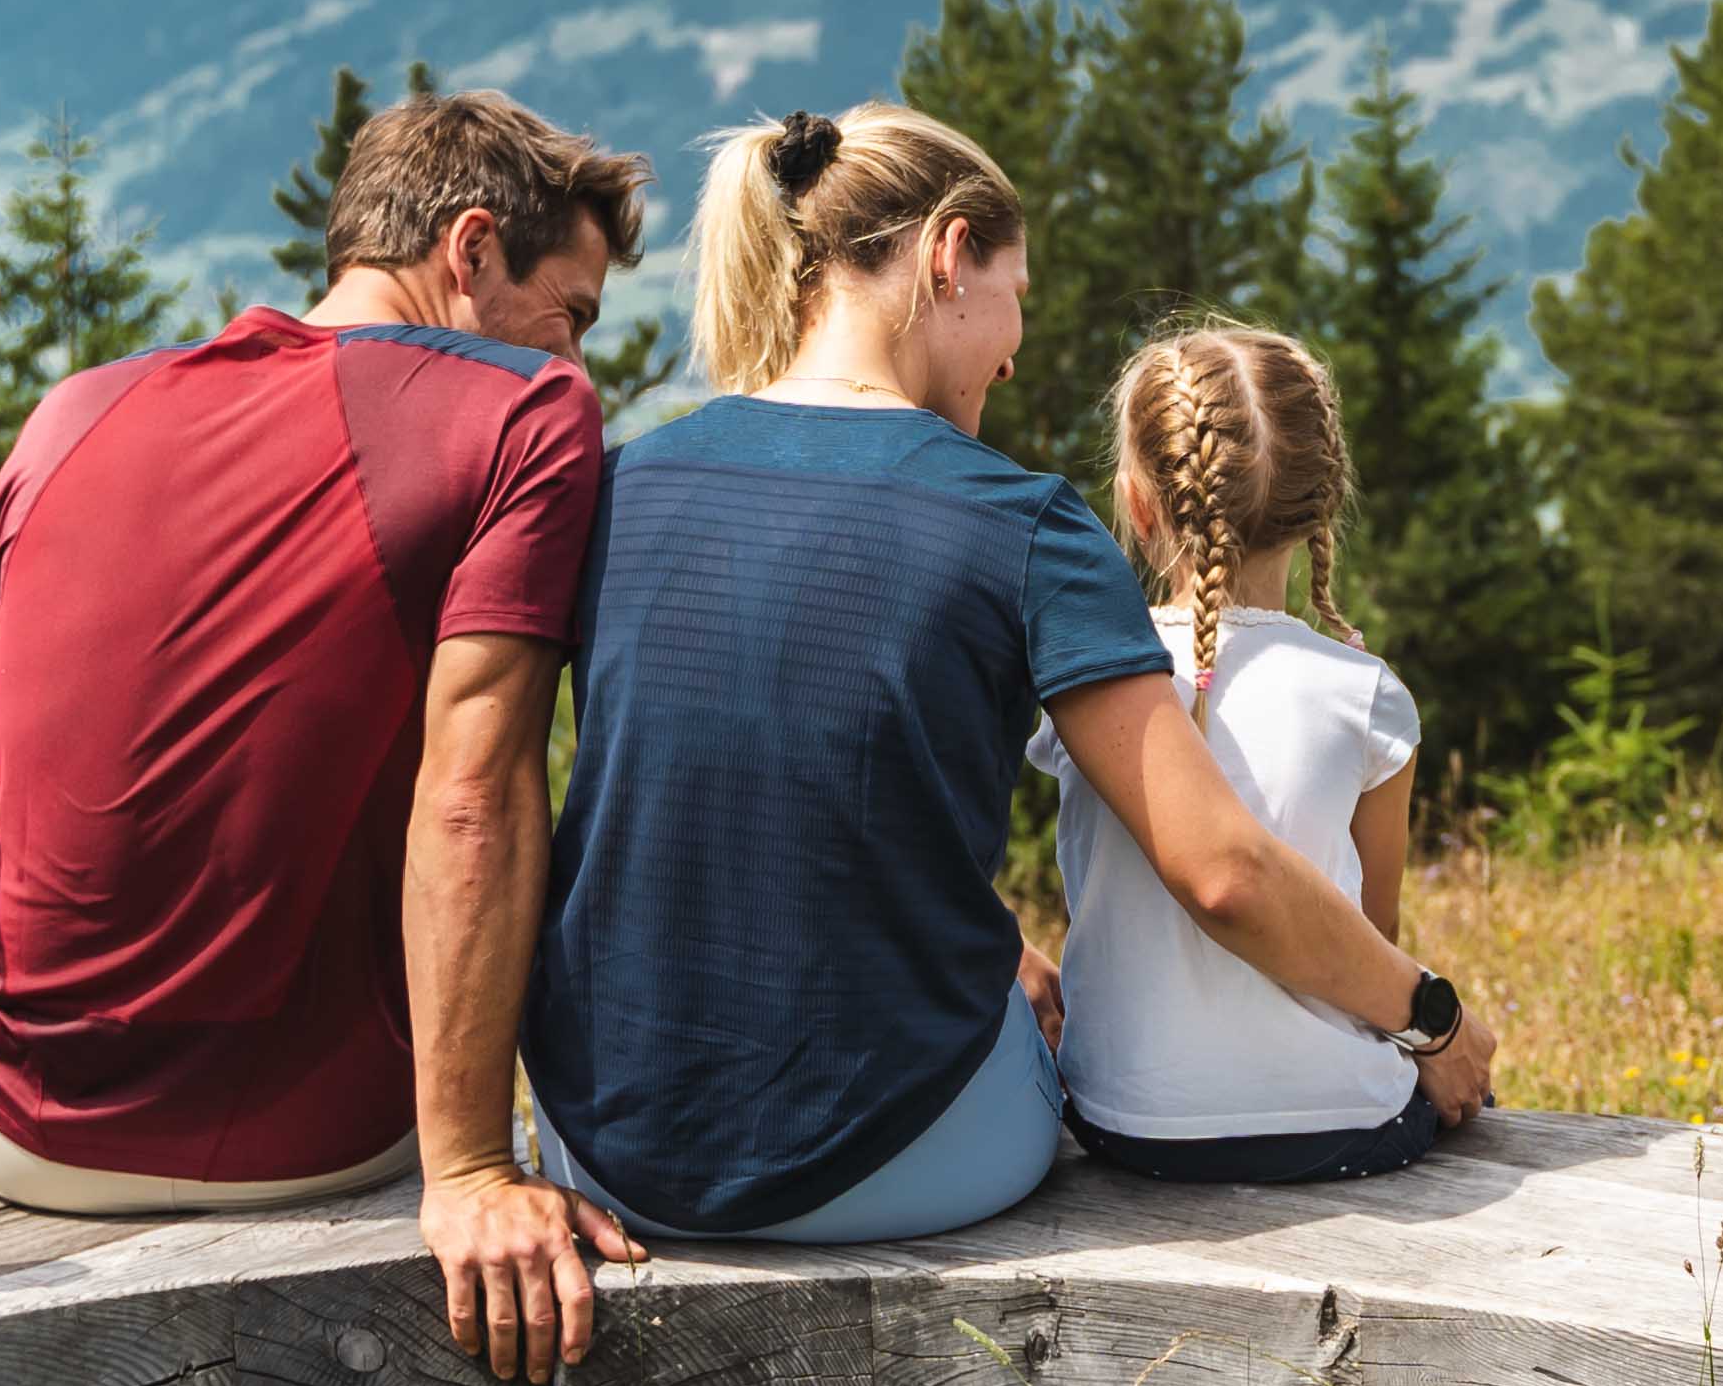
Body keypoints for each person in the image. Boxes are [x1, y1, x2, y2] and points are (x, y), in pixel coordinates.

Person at [522, 104, 1498, 1246]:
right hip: (896, 1161)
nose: (1017, 346)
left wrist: (993, 941)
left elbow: (741, 776)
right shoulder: (1020, 521)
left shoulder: (620, 483)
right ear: (948, 255)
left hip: (605, 1145)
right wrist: (1432, 1020)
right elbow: (1220, 870)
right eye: (1016, 294)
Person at [0, 86, 649, 1382]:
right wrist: (473, 1169)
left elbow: (36, 781)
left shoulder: (65, 417)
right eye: (571, 315)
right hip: (300, 1134)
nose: (576, 362)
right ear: (473, 251)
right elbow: (475, 797)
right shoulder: (517, 416)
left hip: (13, 1124)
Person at [1042, 326, 1464, 1186]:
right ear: (1321, 502)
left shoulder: (1081, 680)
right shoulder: (1368, 694)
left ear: (1138, 500)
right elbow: (1370, 938)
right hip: (1342, 1121)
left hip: (1122, 1119)